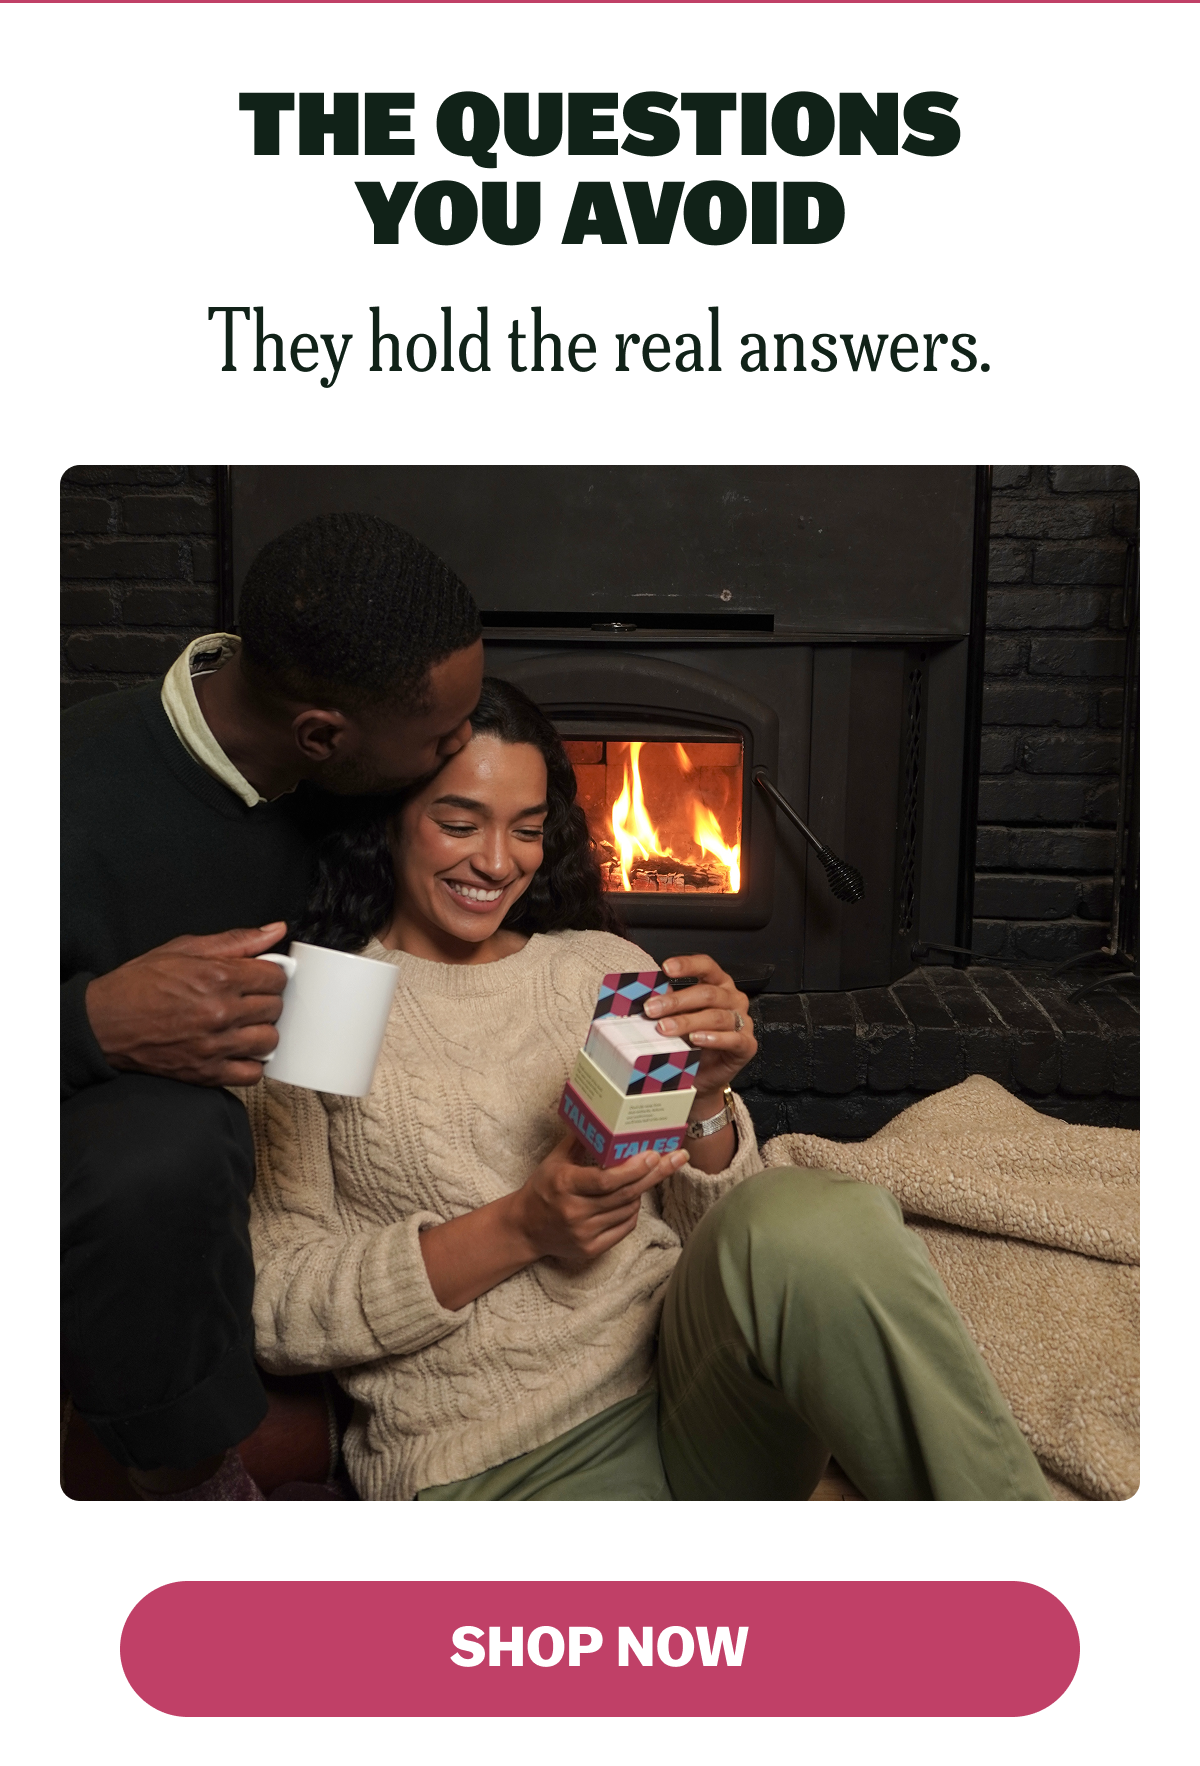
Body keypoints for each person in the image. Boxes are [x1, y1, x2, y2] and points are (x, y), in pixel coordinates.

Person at [246, 678, 1051, 1501]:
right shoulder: (327, 1003)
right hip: (497, 1459)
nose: (497, 861)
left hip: (694, 1390)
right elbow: (276, 1308)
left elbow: (725, 1240)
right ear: (386, 819)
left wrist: (706, 1102)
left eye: (526, 830)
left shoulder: (596, 965)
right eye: (459, 823)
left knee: (815, 1215)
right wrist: (521, 1227)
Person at [61, 512, 484, 1498]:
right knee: (165, 1138)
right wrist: (90, 1021)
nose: (462, 744)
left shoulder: (361, 780)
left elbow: (329, 1054)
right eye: (442, 733)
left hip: (292, 1187)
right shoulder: (53, 788)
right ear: (322, 735)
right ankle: (185, 1487)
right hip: (105, 1160)